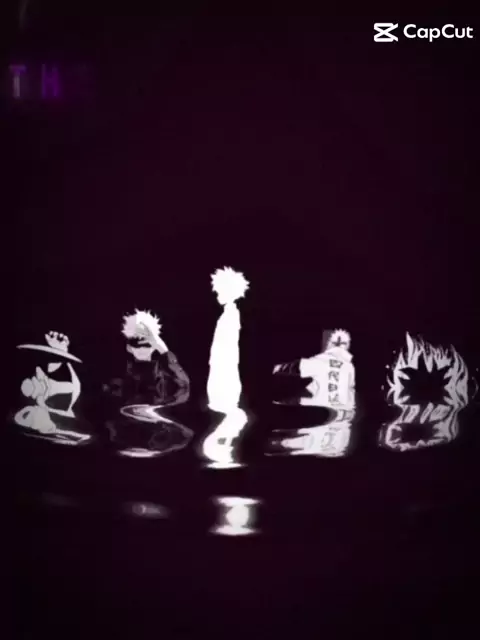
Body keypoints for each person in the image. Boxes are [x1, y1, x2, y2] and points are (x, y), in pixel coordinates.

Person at [103, 309, 190, 408]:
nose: (141, 349)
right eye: (136, 343)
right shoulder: (122, 379)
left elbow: (185, 387)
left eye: (146, 344)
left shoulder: (167, 374)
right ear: (129, 348)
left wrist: (164, 351)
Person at [273, 329, 355, 407]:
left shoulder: (322, 361)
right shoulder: (349, 367)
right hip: (339, 410)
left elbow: (297, 366)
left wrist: (276, 368)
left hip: (318, 409)